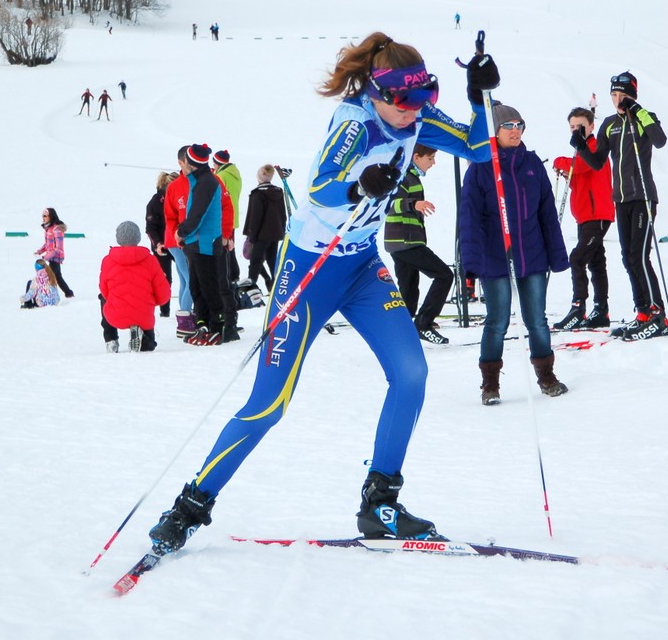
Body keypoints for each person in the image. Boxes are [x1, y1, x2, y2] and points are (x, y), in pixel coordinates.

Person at [146, 31, 498, 556]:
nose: (413, 116)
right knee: (270, 403)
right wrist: (361, 185)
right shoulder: (356, 120)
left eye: (425, 102)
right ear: (378, 93)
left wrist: (479, 96)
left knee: (412, 374)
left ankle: (381, 502)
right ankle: (192, 504)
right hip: (308, 269)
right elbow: (321, 186)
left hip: (360, 268)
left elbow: (480, 148)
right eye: (404, 105)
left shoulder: (415, 116)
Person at [460, 103, 570, 405]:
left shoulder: (532, 164)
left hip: (531, 252)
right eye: (508, 125)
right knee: (497, 320)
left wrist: (557, 255)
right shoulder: (481, 167)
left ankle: (547, 377)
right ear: (493, 131)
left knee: (536, 318)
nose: (515, 130)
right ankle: (490, 384)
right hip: (495, 256)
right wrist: (472, 261)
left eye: (519, 124)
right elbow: (468, 217)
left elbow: (547, 212)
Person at [570, 71, 668, 341]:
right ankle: (643, 313)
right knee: (628, 257)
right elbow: (598, 161)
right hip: (621, 200)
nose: (617, 100)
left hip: (643, 197)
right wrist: (581, 146)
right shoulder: (610, 125)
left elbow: (659, 140)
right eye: (613, 95)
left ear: (632, 95)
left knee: (639, 256)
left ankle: (657, 313)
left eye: (622, 95)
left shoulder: (644, 117)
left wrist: (637, 110)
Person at [552, 107, 615, 330]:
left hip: (597, 213)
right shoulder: (582, 149)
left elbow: (580, 167)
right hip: (586, 215)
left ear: (590, 127)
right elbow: (579, 175)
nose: (576, 131)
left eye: (580, 127)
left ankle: (578, 307)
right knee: (596, 261)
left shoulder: (594, 146)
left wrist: (561, 162)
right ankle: (601, 310)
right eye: (572, 127)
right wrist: (566, 171)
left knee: (578, 258)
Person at [383, 143, 453, 345]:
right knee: (444, 275)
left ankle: (402, 333)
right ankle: (423, 323)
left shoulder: (409, 176)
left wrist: (415, 205)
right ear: (416, 157)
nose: (433, 163)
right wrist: (414, 204)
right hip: (406, 243)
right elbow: (388, 204)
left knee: (409, 289)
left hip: (401, 243)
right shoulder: (402, 176)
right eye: (430, 158)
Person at [175, 143, 226, 346]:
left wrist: (181, 232)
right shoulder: (199, 180)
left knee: (209, 287)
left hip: (205, 242)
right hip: (195, 243)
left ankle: (217, 327)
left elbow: (198, 215)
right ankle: (203, 324)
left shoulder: (206, 182)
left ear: (189, 162)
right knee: (197, 287)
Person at [99, 221, 171, 353]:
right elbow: (163, 292)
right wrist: (154, 301)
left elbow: (104, 290)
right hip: (143, 314)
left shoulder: (108, 260)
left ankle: (111, 339)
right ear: (138, 238)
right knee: (149, 345)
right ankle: (143, 337)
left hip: (115, 315)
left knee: (103, 299)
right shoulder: (150, 260)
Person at [164, 146, 195, 337]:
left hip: (173, 240)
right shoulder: (174, 190)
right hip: (177, 241)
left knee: (184, 278)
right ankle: (184, 317)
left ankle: (184, 312)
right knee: (191, 279)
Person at [243, 164, 286, 291]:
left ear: (259, 176)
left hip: (261, 234)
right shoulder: (278, 192)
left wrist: (252, 235)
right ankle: (275, 284)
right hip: (275, 233)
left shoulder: (257, 194)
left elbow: (256, 217)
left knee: (255, 260)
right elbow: (282, 214)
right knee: (272, 260)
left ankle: (251, 285)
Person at [145, 171, 177, 318]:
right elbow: (150, 227)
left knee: (188, 275)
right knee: (165, 279)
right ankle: (165, 311)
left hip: (177, 243)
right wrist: (158, 244)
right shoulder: (155, 203)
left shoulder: (177, 198)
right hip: (162, 246)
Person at [213, 149, 243, 284]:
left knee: (225, 249)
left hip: (224, 217)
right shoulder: (235, 174)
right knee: (231, 247)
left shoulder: (221, 176)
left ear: (217, 163)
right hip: (233, 216)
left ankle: (229, 277)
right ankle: (234, 274)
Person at [35, 207, 74, 298]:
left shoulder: (57, 230)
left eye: (45, 216)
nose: (43, 218)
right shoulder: (49, 229)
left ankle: (48, 296)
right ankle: (69, 294)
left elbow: (58, 248)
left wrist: (46, 257)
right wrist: (40, 251)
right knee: (57, 277)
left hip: (56, 258)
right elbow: (48, 244)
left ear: (51, 217)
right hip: (51, 258)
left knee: (48, 277)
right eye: (42, 216)